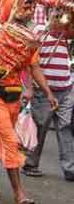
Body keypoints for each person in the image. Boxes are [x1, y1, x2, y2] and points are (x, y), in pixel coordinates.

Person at [0, 0, 58, 204]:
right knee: (10, 141)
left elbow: (33, 68)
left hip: (14, 98)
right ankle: (20, 194)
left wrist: (47, 92)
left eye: (29, 6)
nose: (27, 9)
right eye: (22, 5)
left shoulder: (28, 40)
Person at [23, 10, 74, 181]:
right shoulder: (39, 34)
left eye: (64, 17)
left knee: (65, 128)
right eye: (57, 16)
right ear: (50, 17)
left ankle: (70, 169)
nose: (61, 20)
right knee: (40, 127)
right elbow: (30, 64)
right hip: (44, 92)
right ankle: (30, 164)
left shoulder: (67, 36)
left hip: (66, 89)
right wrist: (29, 87)